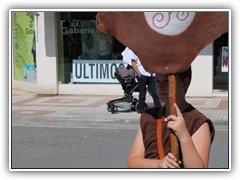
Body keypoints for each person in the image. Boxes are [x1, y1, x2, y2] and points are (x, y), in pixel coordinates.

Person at [127, 67, 215, 168]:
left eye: (167, 81)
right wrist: (158, 164)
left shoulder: (198, 122)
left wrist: (184, 135)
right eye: (157, 81)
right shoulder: (149, 117)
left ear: (185, 83)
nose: (160, 86)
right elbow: (132, 162)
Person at [122, 47, 161, 113]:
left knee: (154, 93)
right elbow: (133, 63)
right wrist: (139, 74)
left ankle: (158, 107)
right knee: (142, 93)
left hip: (151, 75)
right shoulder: (137, 50)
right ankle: (141, 108)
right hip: (143, 74)